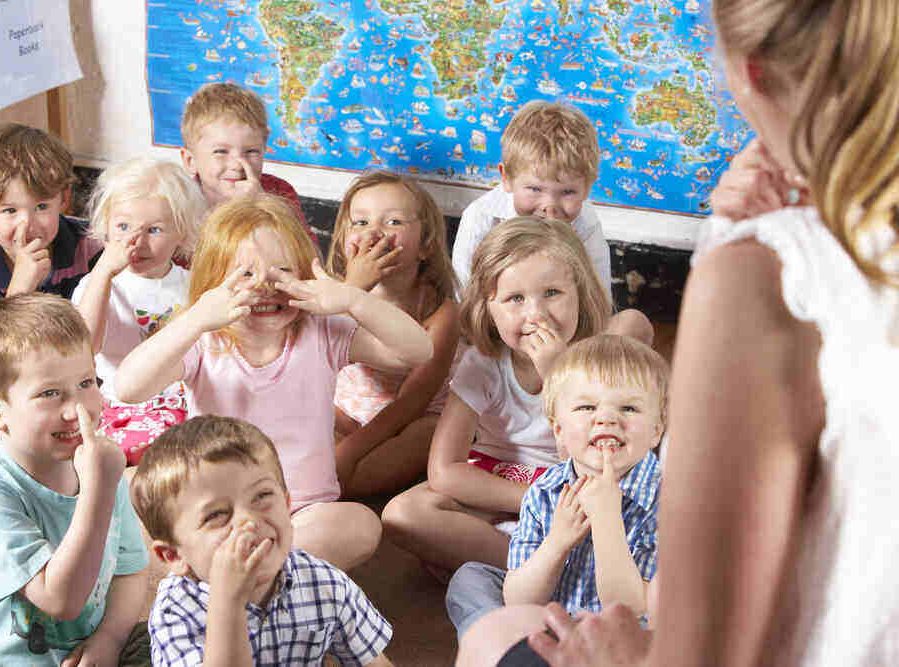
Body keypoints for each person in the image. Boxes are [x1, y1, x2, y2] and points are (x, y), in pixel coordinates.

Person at [458, 0, 899, 665]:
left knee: (493, 638)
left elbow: (701, 648)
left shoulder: (772, 274)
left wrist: (627, 653)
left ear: (748, 73)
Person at [114, 194, 432, 571]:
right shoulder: (205, 340)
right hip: (217, 511)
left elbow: (417, 352)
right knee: (131, 486)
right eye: (245, 275)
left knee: (360, 525)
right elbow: (128, 387)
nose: (266, 287)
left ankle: (241, 575)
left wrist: (352, 300)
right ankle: (262, 575)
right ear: (213, 285)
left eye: (283, 272)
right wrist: (196, 318)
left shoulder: (322, 332)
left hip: (302, 514)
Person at [382, 217, 612, 580]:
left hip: (570, 489)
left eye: (551, 293)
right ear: (487, 308)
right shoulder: (482, 365)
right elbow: (444, 471)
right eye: (515, 299)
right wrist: (528, 500)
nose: (535, 314)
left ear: (581, 295)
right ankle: (542, 570)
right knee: (403, 515)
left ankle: (504, 564)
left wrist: (558, 379)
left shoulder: (599, 366)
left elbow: (587, 468)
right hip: (499, 484)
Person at [0, 294, 150, 666]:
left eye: (87, 382)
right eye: (50, 394)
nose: (77, 409)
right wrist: (99, 491)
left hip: (97, 646)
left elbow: (130, 571)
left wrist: (109, 639)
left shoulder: (98, 464)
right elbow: (61, 601)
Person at [446, 334, 665, 640]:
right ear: (559, 430)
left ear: (656, 431)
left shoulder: (666, 501)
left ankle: (509, 649)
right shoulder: (546, 489)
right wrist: (557, 542)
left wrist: (606, 521)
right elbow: (521, 600)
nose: (606, 419)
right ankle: (515, 650)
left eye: (628, 408)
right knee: (471, 579)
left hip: (623, 638)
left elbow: (631, 607)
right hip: (552, 621)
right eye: (586, 407)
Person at [130, 415, 395, 666]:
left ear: (287, 504)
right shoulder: (175, 613)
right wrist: (228, 602)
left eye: (262, 496)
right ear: (173, 556)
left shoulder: (323, 582)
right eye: (217, 514)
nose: (249, 521)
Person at [327, 171, 461, 497]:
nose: (374, 234)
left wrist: (350, 452)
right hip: (344, 413)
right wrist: (353, 289)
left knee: (429, 431)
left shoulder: (441, 312)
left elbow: (410, 405)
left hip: (405, 420)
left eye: (394, 223)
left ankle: (345, 487)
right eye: (360, 223)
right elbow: (315, 357)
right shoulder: (334, 292)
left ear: (425, 246)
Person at [71, 158, 208, 466]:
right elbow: (82, 351)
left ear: (182, 234)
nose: (136, 241)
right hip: (118, 406)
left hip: (183, 401)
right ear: (105, 229)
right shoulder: (96, 286)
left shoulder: (194, 286)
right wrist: (103, 274)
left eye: (154, 230)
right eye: (122, 227)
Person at [451, 100, 611, 303]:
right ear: (507, 178)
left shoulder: (586, 224)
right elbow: (462, 295)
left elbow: (600, 297)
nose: (549, 206)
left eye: (568, 192)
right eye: (535, 189)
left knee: (633, 321)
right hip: (493, 318)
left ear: (587, 188)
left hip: (562, 320)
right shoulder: (481, 217)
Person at [0, 123, 102, 322]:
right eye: (10, 210)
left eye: (41, 207)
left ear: (64, 199)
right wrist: (19, 290)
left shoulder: (93, 242)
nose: (27, 224)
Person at [179, 82, 318, 244]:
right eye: (221, 152)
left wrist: (262, 206)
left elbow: (310, 258)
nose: (238, 165)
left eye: (251, 151)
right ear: (190, 161)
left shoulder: (278, 191)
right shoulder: (179, 203)